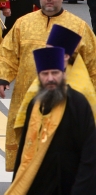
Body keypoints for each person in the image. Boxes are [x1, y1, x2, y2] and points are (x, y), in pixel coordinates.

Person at [0, 0, 96, 170]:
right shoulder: (24, 23)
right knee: (27, 145)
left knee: (58, 148)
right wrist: (3, 78)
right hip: (27, 95)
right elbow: (10, 51)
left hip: (63, 99)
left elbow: (92, 63)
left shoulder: (78, 27)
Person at [7, 46, 96, 195]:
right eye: (45, 74)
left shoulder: (78, 104)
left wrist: (82, 189)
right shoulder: (34, 105)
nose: (50, 78)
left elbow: (90, 152)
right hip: (38, 185)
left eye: (55, 73)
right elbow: (25, 151)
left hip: (69, 184)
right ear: (39, 77)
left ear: (63, 74)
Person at [9, 24, 96, 160]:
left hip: (70, 155)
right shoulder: (45, 76)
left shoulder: (81, 86)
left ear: (66, 56)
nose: (47, 54)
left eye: (52, 50)